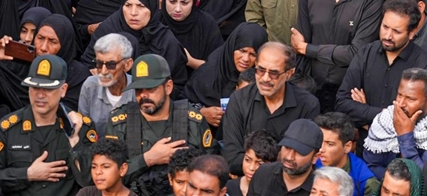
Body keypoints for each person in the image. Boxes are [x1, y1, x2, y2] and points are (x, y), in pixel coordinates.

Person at [291, 0, 385, 110]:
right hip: (310, 89)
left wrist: (308, 49)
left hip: (347, 91)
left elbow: (357, 53)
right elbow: (299, 43)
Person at [101, 54, 216, 196]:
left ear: (168, 87)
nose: (143, 95)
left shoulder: (192, 120)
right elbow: (107, 178)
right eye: (139, 90)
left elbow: (212, 171)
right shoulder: (120, 122)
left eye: (150, 89)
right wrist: (148, 159)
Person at [0, 55, 97, 196]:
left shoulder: (82, 127)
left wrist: (74, 140)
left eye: (48, 89)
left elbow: (91, 180)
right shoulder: (8, 128)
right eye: (35, 87)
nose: (40, 95)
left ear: (63, 90)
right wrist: (28, 174)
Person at [221, 42, 321, 175]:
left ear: (289, 73)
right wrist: (276, 161)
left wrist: (252, 163)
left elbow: (300, 160)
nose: (265, 78)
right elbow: (232, 158)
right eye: (260, 70)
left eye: (274, 73)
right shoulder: (239, 99)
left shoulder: (307, 104)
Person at [248, 119, 323, 196]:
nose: (289, 157)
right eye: (287, 147)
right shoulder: (263, 173)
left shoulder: (321, 189)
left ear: (315, 157)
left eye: (299, 152)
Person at [77, 33, 134, 127]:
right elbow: (84, 131)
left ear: (127, 65)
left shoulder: (139, 90)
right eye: (99, 63)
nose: (103, 71)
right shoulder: (90, 87)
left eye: (111, 64)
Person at [314, 114, 377, 196]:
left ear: (347, 147)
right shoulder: (311, 162)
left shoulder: (366, 183)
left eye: (330, 144)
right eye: (320, 141)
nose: (321, 149)